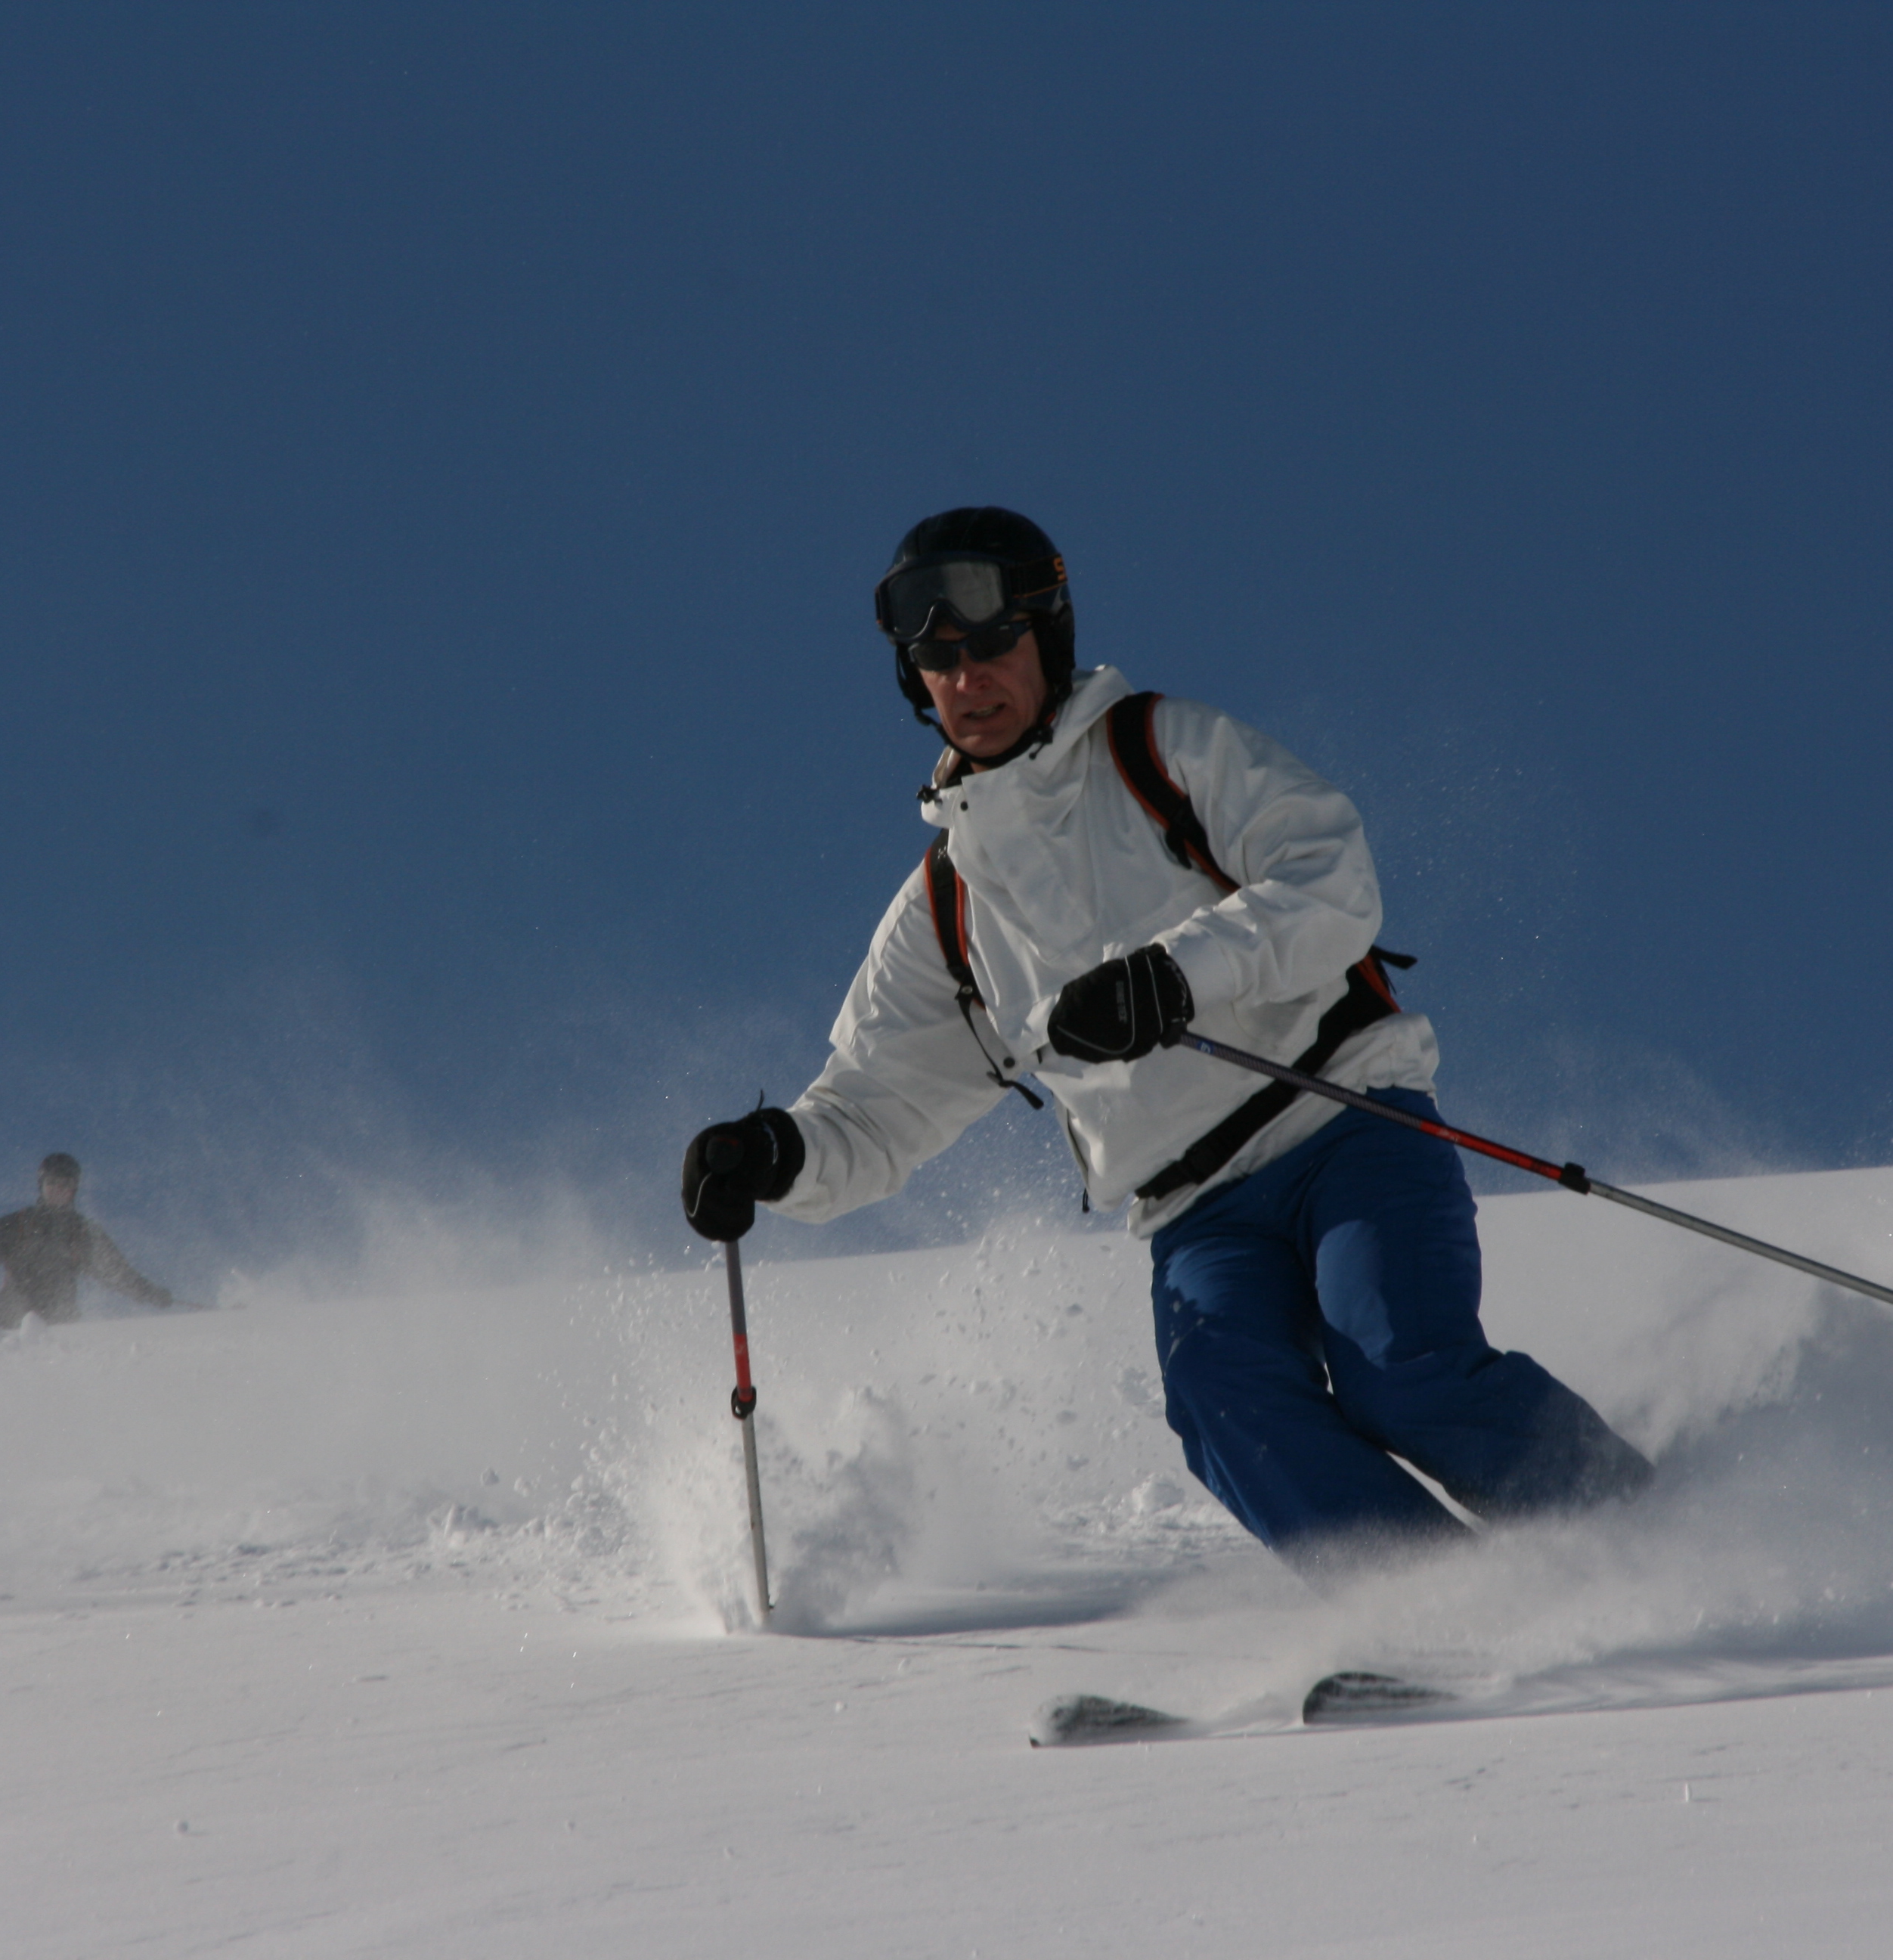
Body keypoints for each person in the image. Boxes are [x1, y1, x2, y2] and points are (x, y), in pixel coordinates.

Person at [680, 507, 1649, 1571]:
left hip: (1340, 1122)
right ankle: (1435, 1614)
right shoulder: (949, 907)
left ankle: (1653, 1538)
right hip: (1197, 1213)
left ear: (1046, 638)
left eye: (992, 644)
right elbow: (876, 1104)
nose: (968, 678)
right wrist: (779, 1155)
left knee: (1400, 1368)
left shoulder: (1159, 750)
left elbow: (1330, 877)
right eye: (938, 660)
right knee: (1228, 1410)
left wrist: (1174, 978)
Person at [0, 1152, 181, 1328]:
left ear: (74, 1190)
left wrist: (150, 1293)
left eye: (65, 1184)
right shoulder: (17, 1224)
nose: (58, 1189)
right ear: (42, 1185)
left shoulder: (83, 1233)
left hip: (59, 1322)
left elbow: (117, 1273)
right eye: (52, 1183)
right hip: (6, 1319)